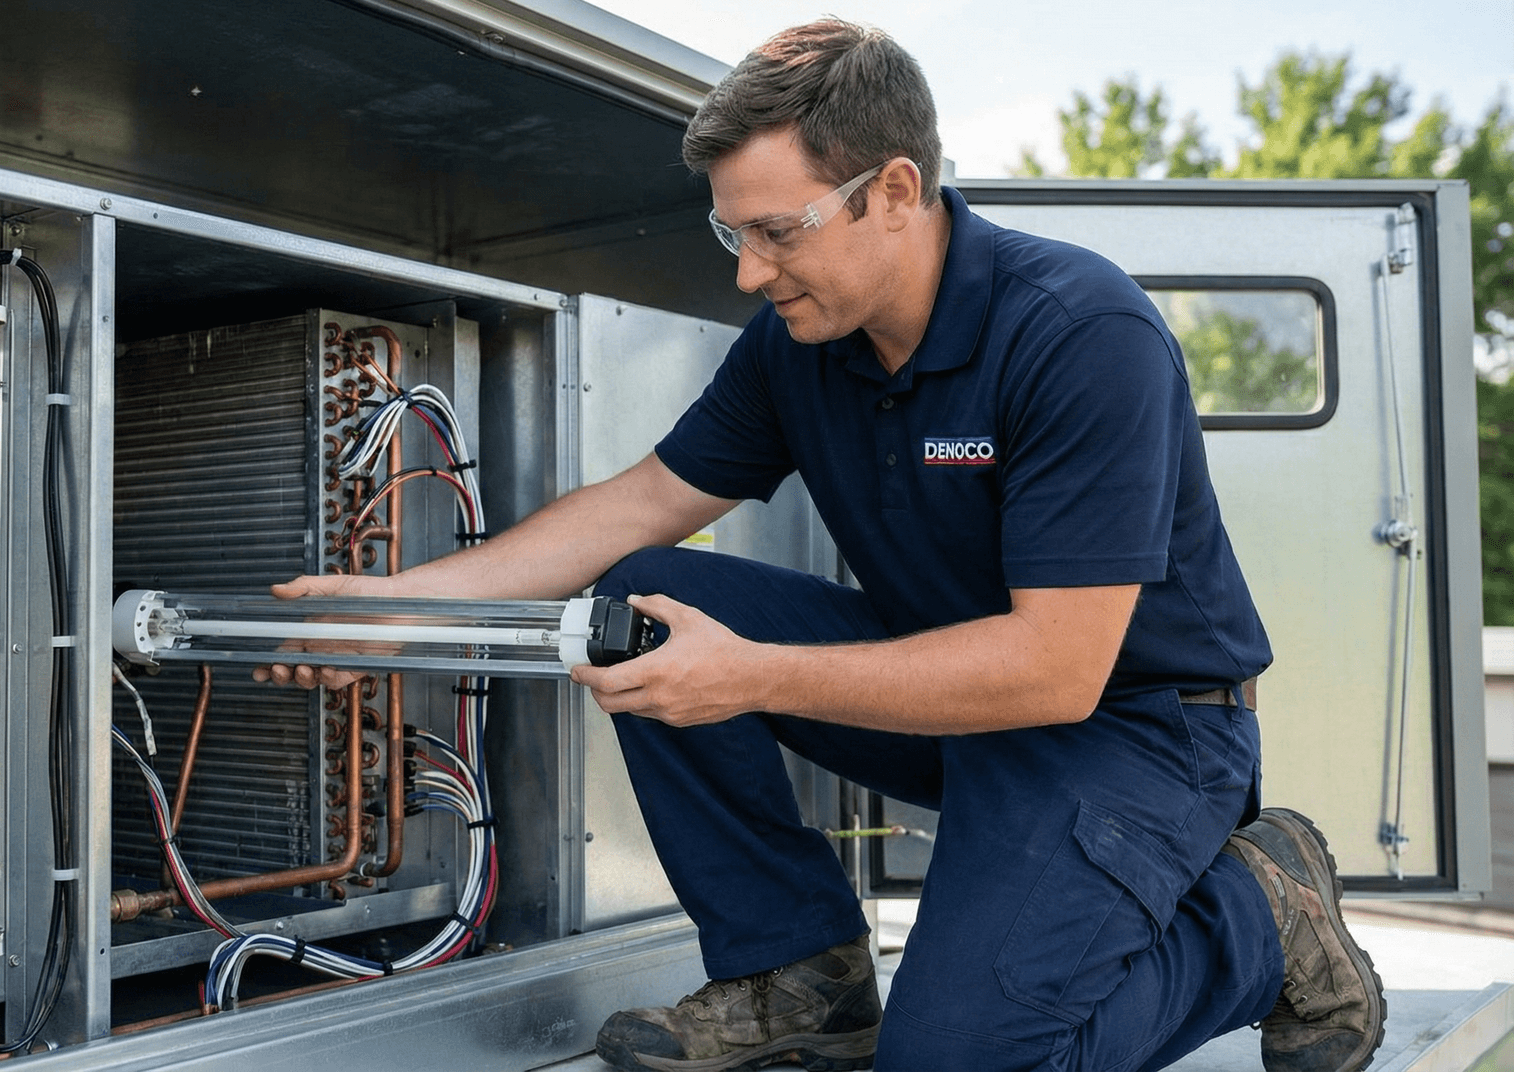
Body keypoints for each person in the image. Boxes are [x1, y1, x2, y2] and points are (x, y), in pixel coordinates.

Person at [259, 19, 1385, 1072]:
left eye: (776, 231)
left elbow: (1056, 668)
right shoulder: (799, 345)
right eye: (730, 231)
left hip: (1139, 727)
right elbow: (639, 504)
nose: (748, 271)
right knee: (645, 592)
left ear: (895, 190)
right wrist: (405, 609)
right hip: (957, 690)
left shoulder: (1078, 334)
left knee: (961, 1059)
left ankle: (1263, 910)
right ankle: (799, 974)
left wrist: (748, 674)